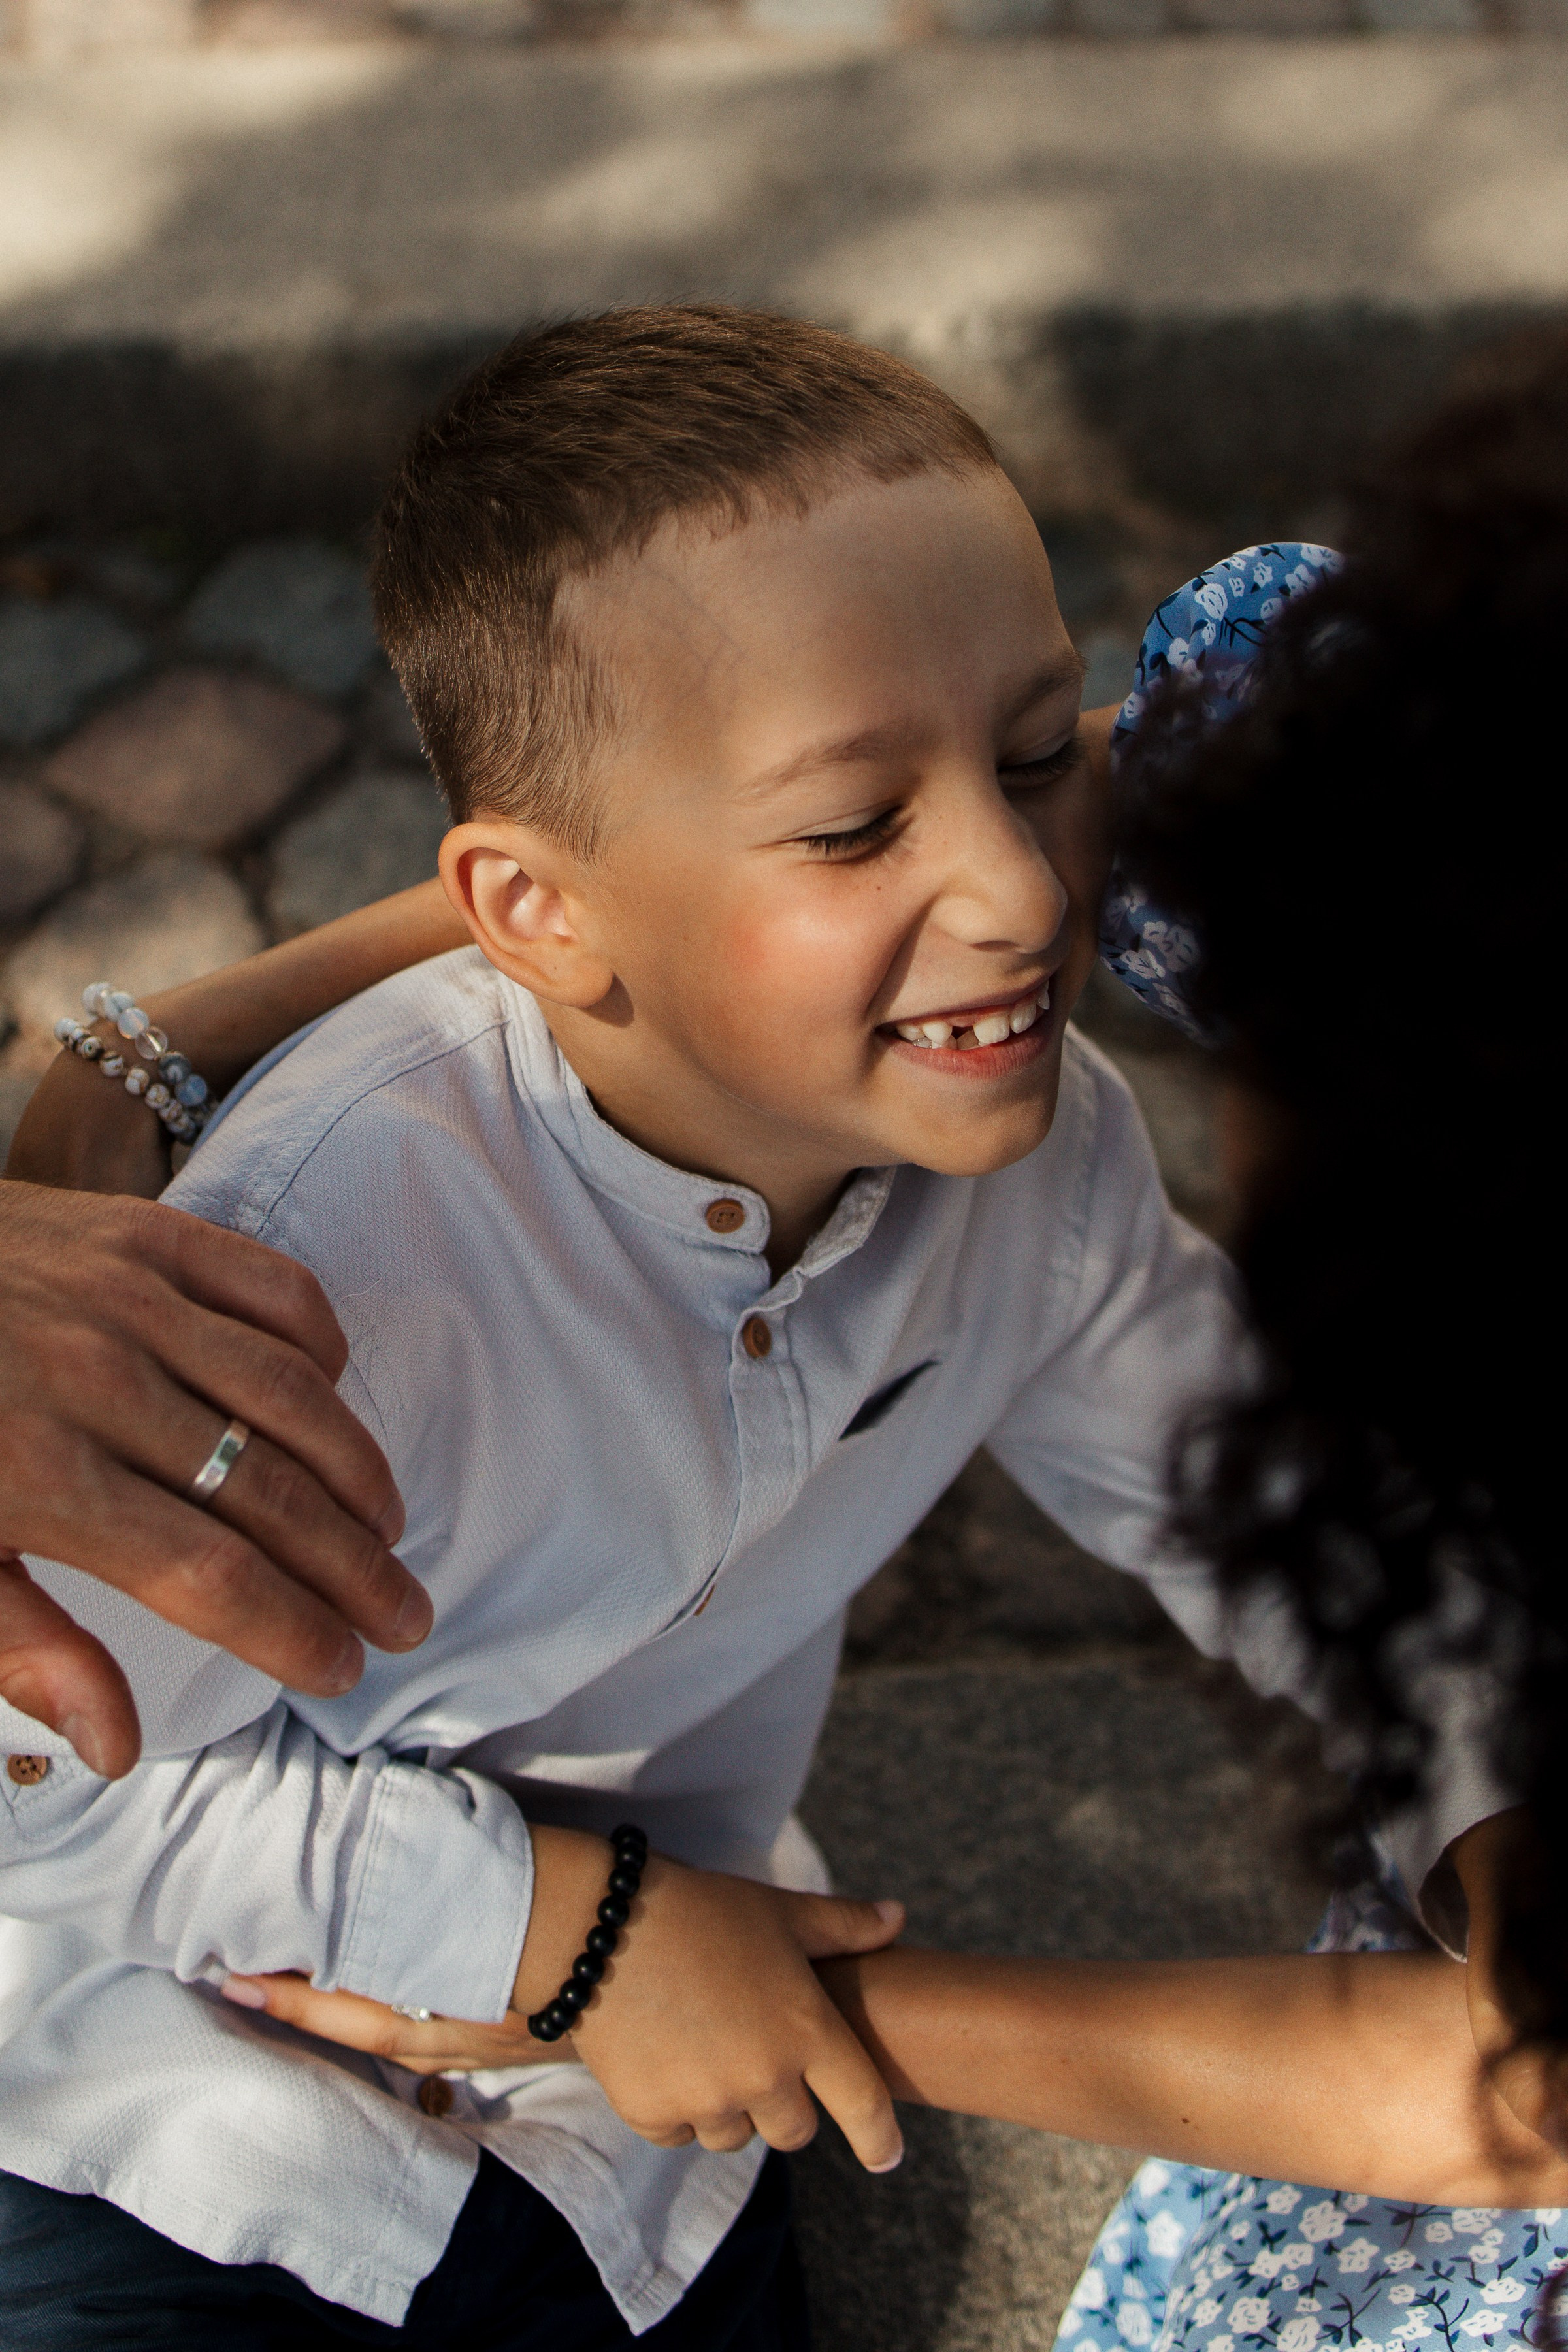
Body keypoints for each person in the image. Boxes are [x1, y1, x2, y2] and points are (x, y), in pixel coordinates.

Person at [0, 304, 1383, 2348]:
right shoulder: (319, 1264)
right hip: (157, 2118)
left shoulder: (1042, 1162)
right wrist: (569, 1931)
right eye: (852, 827)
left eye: (1033, 759)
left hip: (631, 2124)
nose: (1018, 891)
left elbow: (1276, 1505)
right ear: (537, 915)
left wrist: (1484, 1799)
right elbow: (51, 1793)